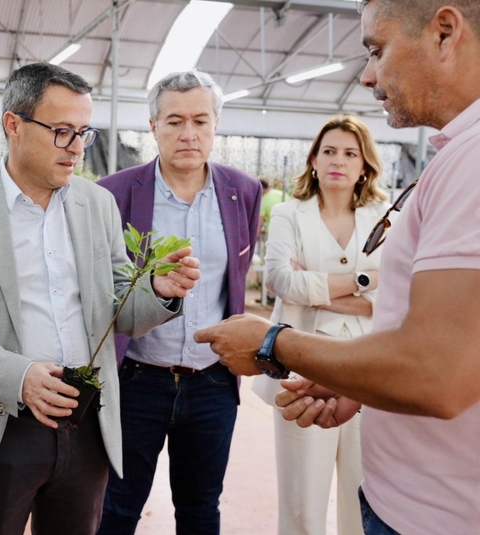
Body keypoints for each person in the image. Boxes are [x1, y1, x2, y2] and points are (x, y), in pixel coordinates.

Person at [194, 1, 480, 534]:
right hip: (407, 478)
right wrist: (361, 377)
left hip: (434, 515)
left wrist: (272, 342)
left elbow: (437, 371)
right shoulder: (456, 156)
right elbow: (289, 281)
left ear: (445, 32)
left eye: (377, 49)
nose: (369, 75)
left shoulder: (471, 162)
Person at [0, 63, 200, 535]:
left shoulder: (97, 205)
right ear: (14, 125)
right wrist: (18, 376)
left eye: (84, 132)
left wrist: (157, 292)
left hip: (86, 425)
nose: (76, 148)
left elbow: (116, 312)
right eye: (62, 131)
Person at [96, 70, 261, 535]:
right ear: (153, 127)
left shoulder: (243, 191)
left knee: (201, 508)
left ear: (216, 124)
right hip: (136, 380)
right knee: (117, 508)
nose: (188, 133)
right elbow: (101, 290)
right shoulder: (115, 194)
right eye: (174, 121)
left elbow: (237, 279)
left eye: (200, 121)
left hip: (212, 383)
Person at [251, 115, 388, 535]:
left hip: (370, 371)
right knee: (301, 501)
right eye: (329, 151)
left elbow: (394, 293)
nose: (338, 161)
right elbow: (281, 282)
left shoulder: (383, 217)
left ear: (364, 166)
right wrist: (364, 284)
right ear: (313, 159)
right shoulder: (291, 214)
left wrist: (315, 285)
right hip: (300, 371)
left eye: (350, 154)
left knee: (365, 495)